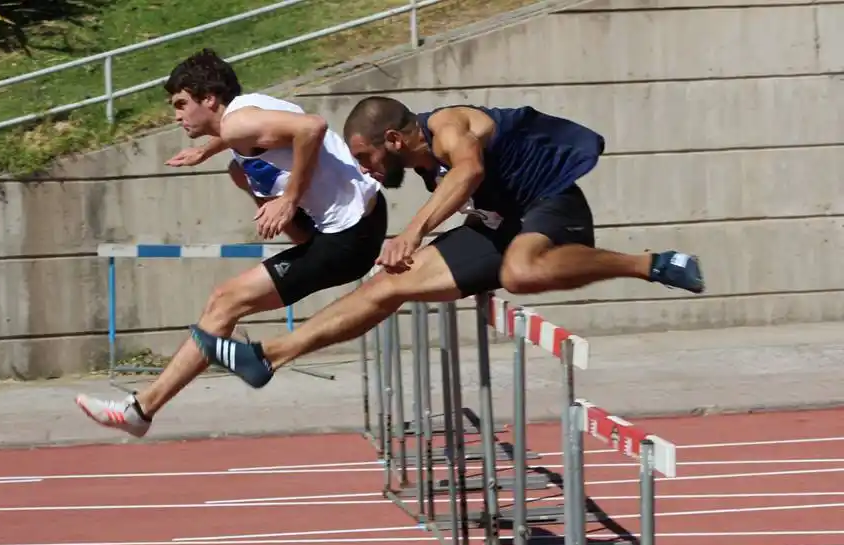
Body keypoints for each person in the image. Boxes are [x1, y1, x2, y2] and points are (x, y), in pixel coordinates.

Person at [186, 96, 705, 390]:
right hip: (497, 226)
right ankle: (270, 356)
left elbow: (470, 171)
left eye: (365, 158)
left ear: (393, 140)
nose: (365, 171)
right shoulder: (413, 161)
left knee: (521, 273)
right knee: (384, 287)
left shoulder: (449, 126)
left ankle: (650, 263)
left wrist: (412, 231)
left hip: (549, 202)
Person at [74, 49, 386, 436]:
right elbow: (248, 137)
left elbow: (312, 127)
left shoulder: (239, 122)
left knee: (225, 301)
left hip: (351, 234)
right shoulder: (241, 132)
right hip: (346, 228)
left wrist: (288, 200)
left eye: (182, 104)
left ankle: (143, 409)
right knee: (222, 293)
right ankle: (143, 407)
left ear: (210, 99)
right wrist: (208, 149)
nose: (176, 115)